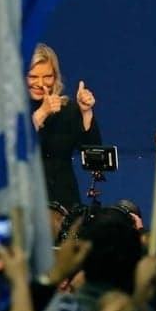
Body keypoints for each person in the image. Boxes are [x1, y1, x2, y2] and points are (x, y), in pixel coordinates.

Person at [27, 43, 101, 208]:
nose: (40, 83)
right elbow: (13, 148)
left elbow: (93, 156)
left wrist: (86, 113)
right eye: (33, 77)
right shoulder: (12, 111)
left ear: (55, 77)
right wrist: (42, 114)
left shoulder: (67, 110)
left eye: (47, 76)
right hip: (26, 201)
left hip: (64, 203)